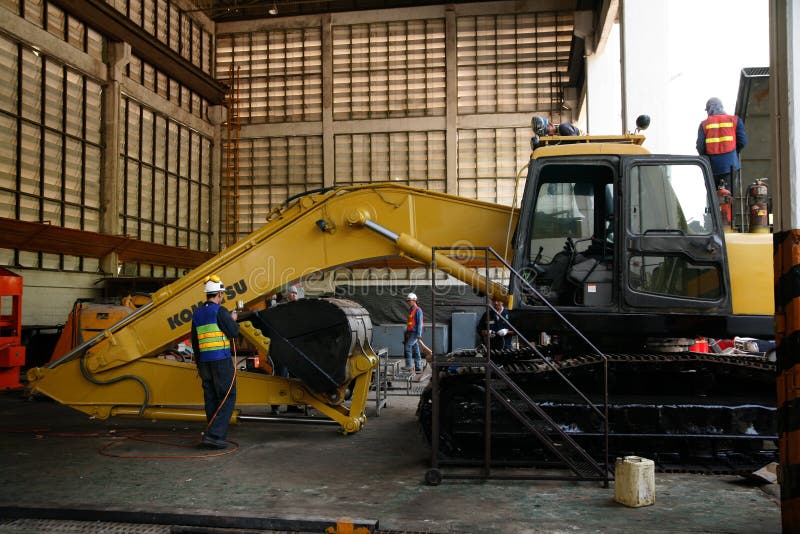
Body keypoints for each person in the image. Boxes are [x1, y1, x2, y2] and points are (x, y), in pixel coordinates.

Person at [191, 275, 239, 449]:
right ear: (219, 294)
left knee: (211, 399)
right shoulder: (220, 311)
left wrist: (199, 365)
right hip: (221, 361)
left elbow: (195, 342)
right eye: (222, 294)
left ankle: (212, 432)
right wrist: (232, 319)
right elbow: (234, 332)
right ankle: (215, 435)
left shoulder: (197, 314)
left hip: (204, 363)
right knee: (227, 397)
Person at [696, 97, 747, 192]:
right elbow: (742, 141)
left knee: (714, 198)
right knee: (729, 197)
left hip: (712, 167)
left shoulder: (704, 124)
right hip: (731, 165)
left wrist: (707, 159)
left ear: (709, 109)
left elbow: (700, 147)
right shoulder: (735, 120)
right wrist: (734, 153)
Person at [403, 292, 424, 372]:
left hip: (415, 333)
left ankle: (408, 366)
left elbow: (419, 323)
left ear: (414, 300)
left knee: (407, 347)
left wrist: (419, 334)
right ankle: (418, 367)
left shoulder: (418, 310)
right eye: (407, 301)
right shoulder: (411, 310)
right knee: (416, 349)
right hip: (410, 333)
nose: (408, 302)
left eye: (409, 300)